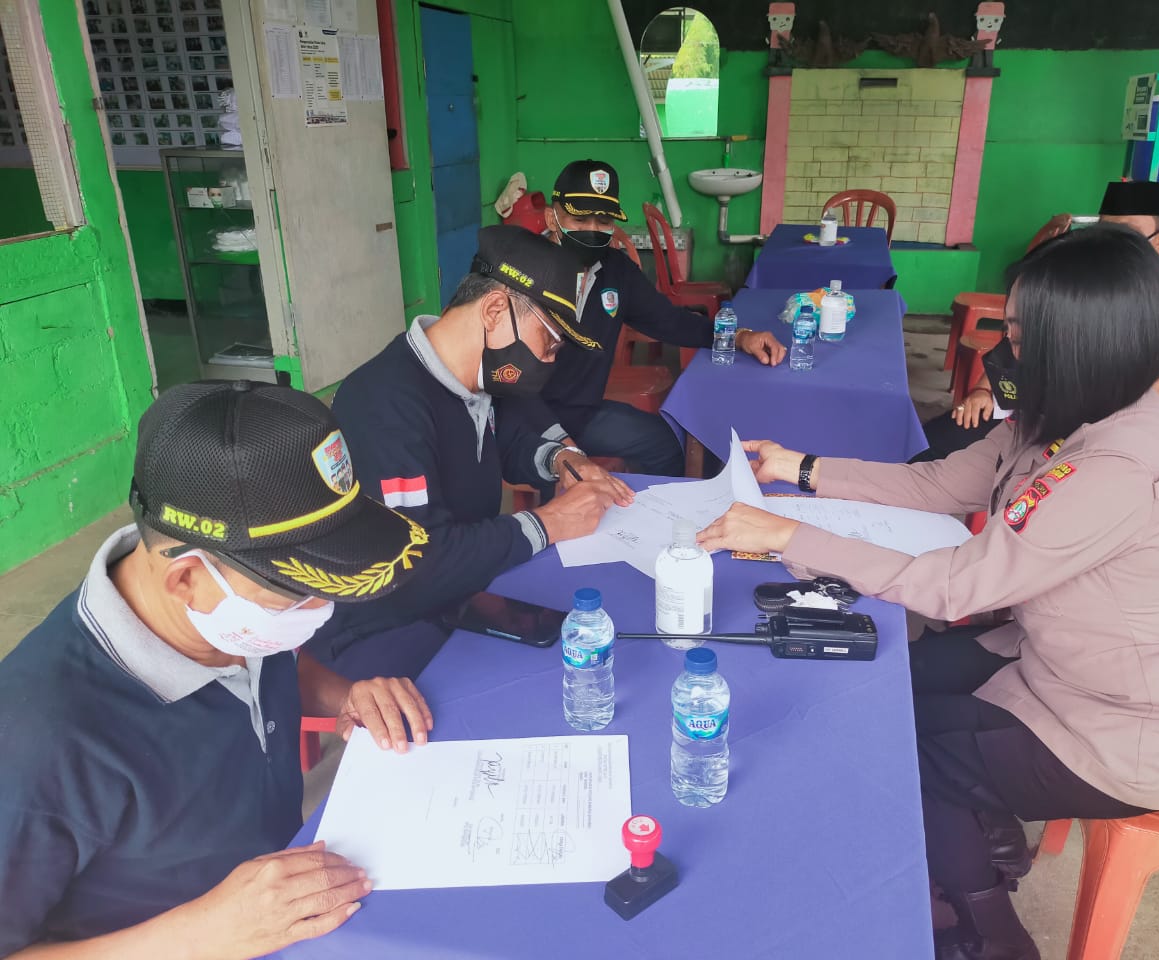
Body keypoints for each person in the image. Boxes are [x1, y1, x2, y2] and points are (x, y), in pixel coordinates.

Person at [698, 226, 1159, 960]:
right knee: (894, 678)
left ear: (1079, 345)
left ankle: (990, 934)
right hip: (1062, 661)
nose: (1000, 353)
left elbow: (955, 587)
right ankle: (985, 837)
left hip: (1126, 731)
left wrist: (790, 536)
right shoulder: (1069, 410)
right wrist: (803, 467)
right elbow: (943, 484)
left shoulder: (1115, 465)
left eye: (1019, 336)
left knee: (909, 749)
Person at [0, 380, 437, 959]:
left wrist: (345, 695)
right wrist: (206, 933)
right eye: (297, 593)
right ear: (186, 578)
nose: (321, 609)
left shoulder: (228, 620)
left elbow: (268, 671)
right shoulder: (37, 744)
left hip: (297, 906)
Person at [308, 226, 632, 680]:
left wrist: (561, 460)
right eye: (550, 341)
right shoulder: (384, 403)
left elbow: (503, 444)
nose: (551, 359)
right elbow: (416, 564)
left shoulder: (476, 379)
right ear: (495, 310)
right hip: (381, 628)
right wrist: (549, 523)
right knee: (557, 675)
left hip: (462, 594)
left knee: (592, 629)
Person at [500, 158, 787, 477]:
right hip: (522, 419)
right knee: (565, 484)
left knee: (672, 444)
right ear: (551, 218)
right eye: (579, 220)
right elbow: (504, 380)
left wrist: (738, 337)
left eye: (603, 221)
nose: (592, 230)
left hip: (582, 415)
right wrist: (563, 445)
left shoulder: (615, 271)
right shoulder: (518, 275)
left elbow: (670, 321)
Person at [917, 179, 1159, 462]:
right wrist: (984, 390)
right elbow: (1019, 341)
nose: (1111, 242)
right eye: (1106, 229)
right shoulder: (1081, 277)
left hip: (1091, 427)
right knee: (928, 446)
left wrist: (1088, 399)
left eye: (1126, 233)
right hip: (1025, 408)